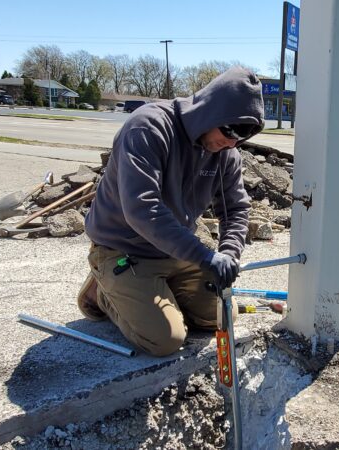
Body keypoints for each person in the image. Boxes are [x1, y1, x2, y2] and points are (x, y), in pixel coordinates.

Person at [76, 67, 264, 357]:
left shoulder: (227, 153)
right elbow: (142, 208)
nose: (232, 142)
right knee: (166, 339)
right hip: (124, 248)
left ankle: (156, 289)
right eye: (229, 131)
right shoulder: (148, 128)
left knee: (222, 316)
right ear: (209, 112)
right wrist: (204, 256)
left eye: (243, 137)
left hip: (173, 250)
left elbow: (236, 209)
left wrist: (229, 253)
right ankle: (103, 290)